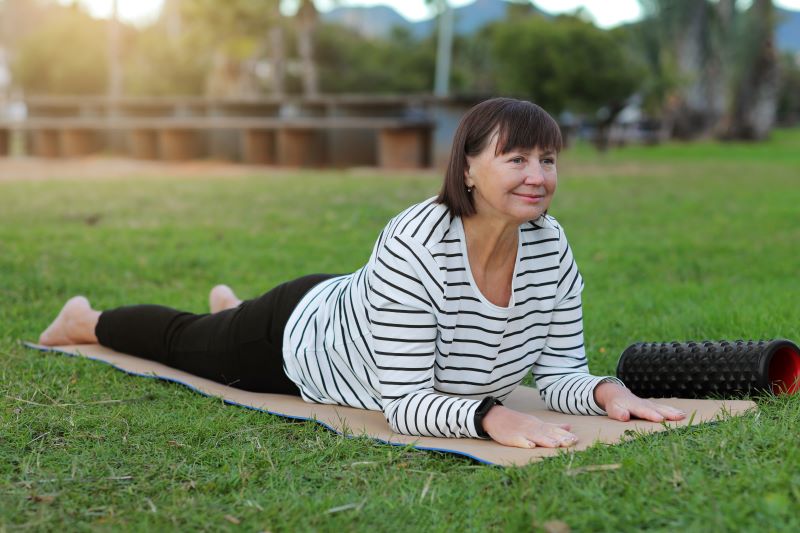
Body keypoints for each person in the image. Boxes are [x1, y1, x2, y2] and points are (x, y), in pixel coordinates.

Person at [39, 97, 686, 449]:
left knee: (225, 324)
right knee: (187, 343)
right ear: (466, 168)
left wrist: (605, 393)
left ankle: (230, 311)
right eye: (516, 158)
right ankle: (86, 319)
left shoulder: (551, 246)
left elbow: (560, 370)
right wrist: (493, 416)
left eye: (547, 158)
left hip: (358, 306)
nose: (539, 176)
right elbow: (403, 404)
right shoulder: (416, 241)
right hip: (300, 339)